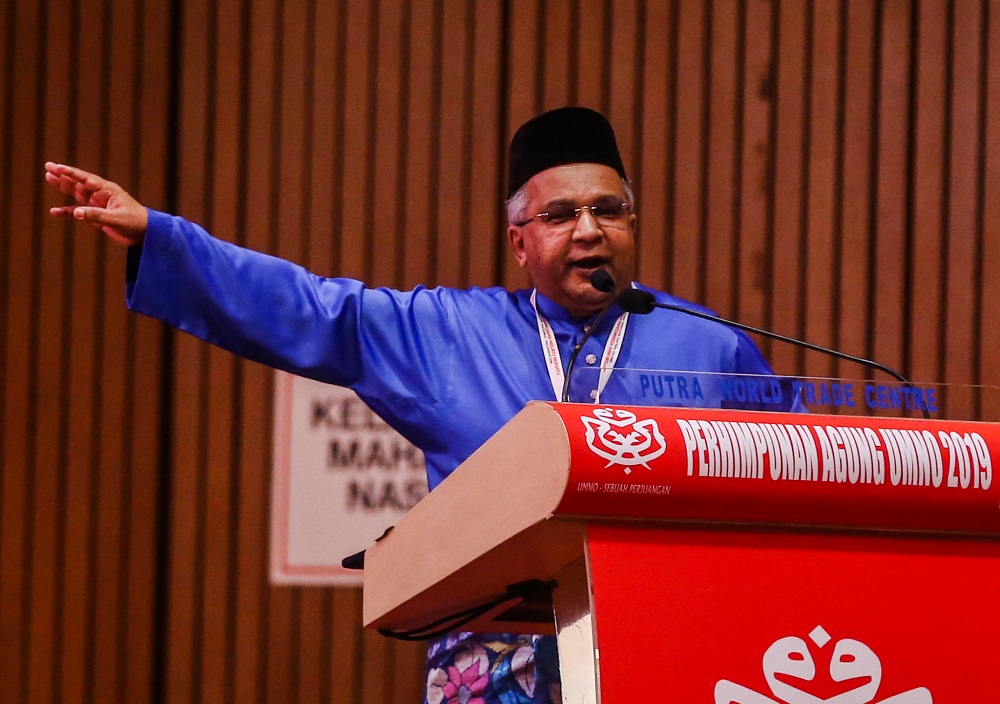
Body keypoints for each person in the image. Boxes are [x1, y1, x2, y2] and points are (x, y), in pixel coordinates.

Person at [46, 106, 799, 704]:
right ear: (518, 243)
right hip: (496, 663)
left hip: (661, 650)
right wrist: (165, 239)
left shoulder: (710, 344)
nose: (590, 230)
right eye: (561, 214)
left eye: (610, 210)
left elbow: (795, 466)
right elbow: (314, 311)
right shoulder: (448, 333)